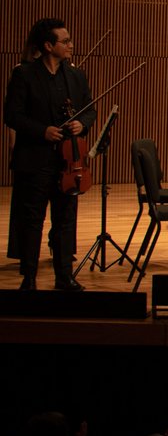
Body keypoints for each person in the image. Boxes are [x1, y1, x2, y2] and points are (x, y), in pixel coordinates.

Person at [4, 19, 96, 291]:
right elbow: (12, 115)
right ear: (47, 46)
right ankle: (29, 277)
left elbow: (89, 109)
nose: (71, 45)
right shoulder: (24, 74)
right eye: (65, 41)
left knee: (66, 220)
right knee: (33, 220)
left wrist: (84, 123)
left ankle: (64, 276)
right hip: (35, 160)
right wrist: (42, 131)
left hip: (70, 161)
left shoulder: (76, 75)